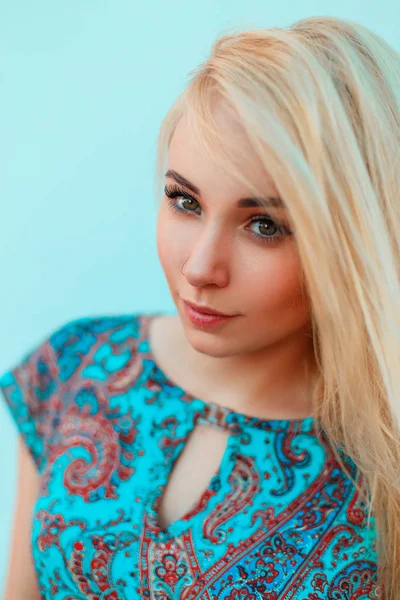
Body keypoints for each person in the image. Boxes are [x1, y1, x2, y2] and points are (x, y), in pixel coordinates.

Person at [1, 14, 399, 600]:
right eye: (184, 200)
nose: (199, 268)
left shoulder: (383, 468)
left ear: (357, 240)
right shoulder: (73, 367)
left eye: (265, 225)